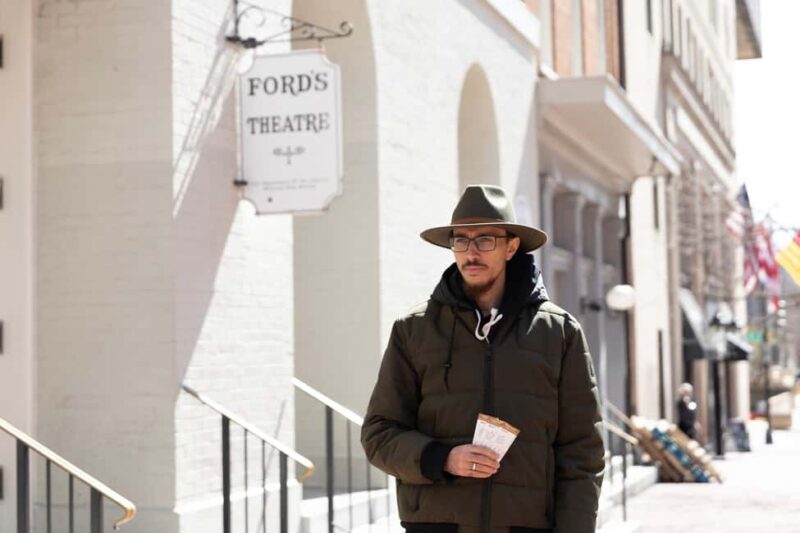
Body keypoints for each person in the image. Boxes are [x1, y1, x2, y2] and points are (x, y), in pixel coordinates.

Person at [361, 185, 605, 533]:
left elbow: (583, 452)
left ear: (511, 246)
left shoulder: (559, 333)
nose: (470, 253)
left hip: (525, 526)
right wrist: (442, 458)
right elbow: (378, 434)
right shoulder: (414, 330)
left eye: (485, 240)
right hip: (438, 525)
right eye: (461, 241)